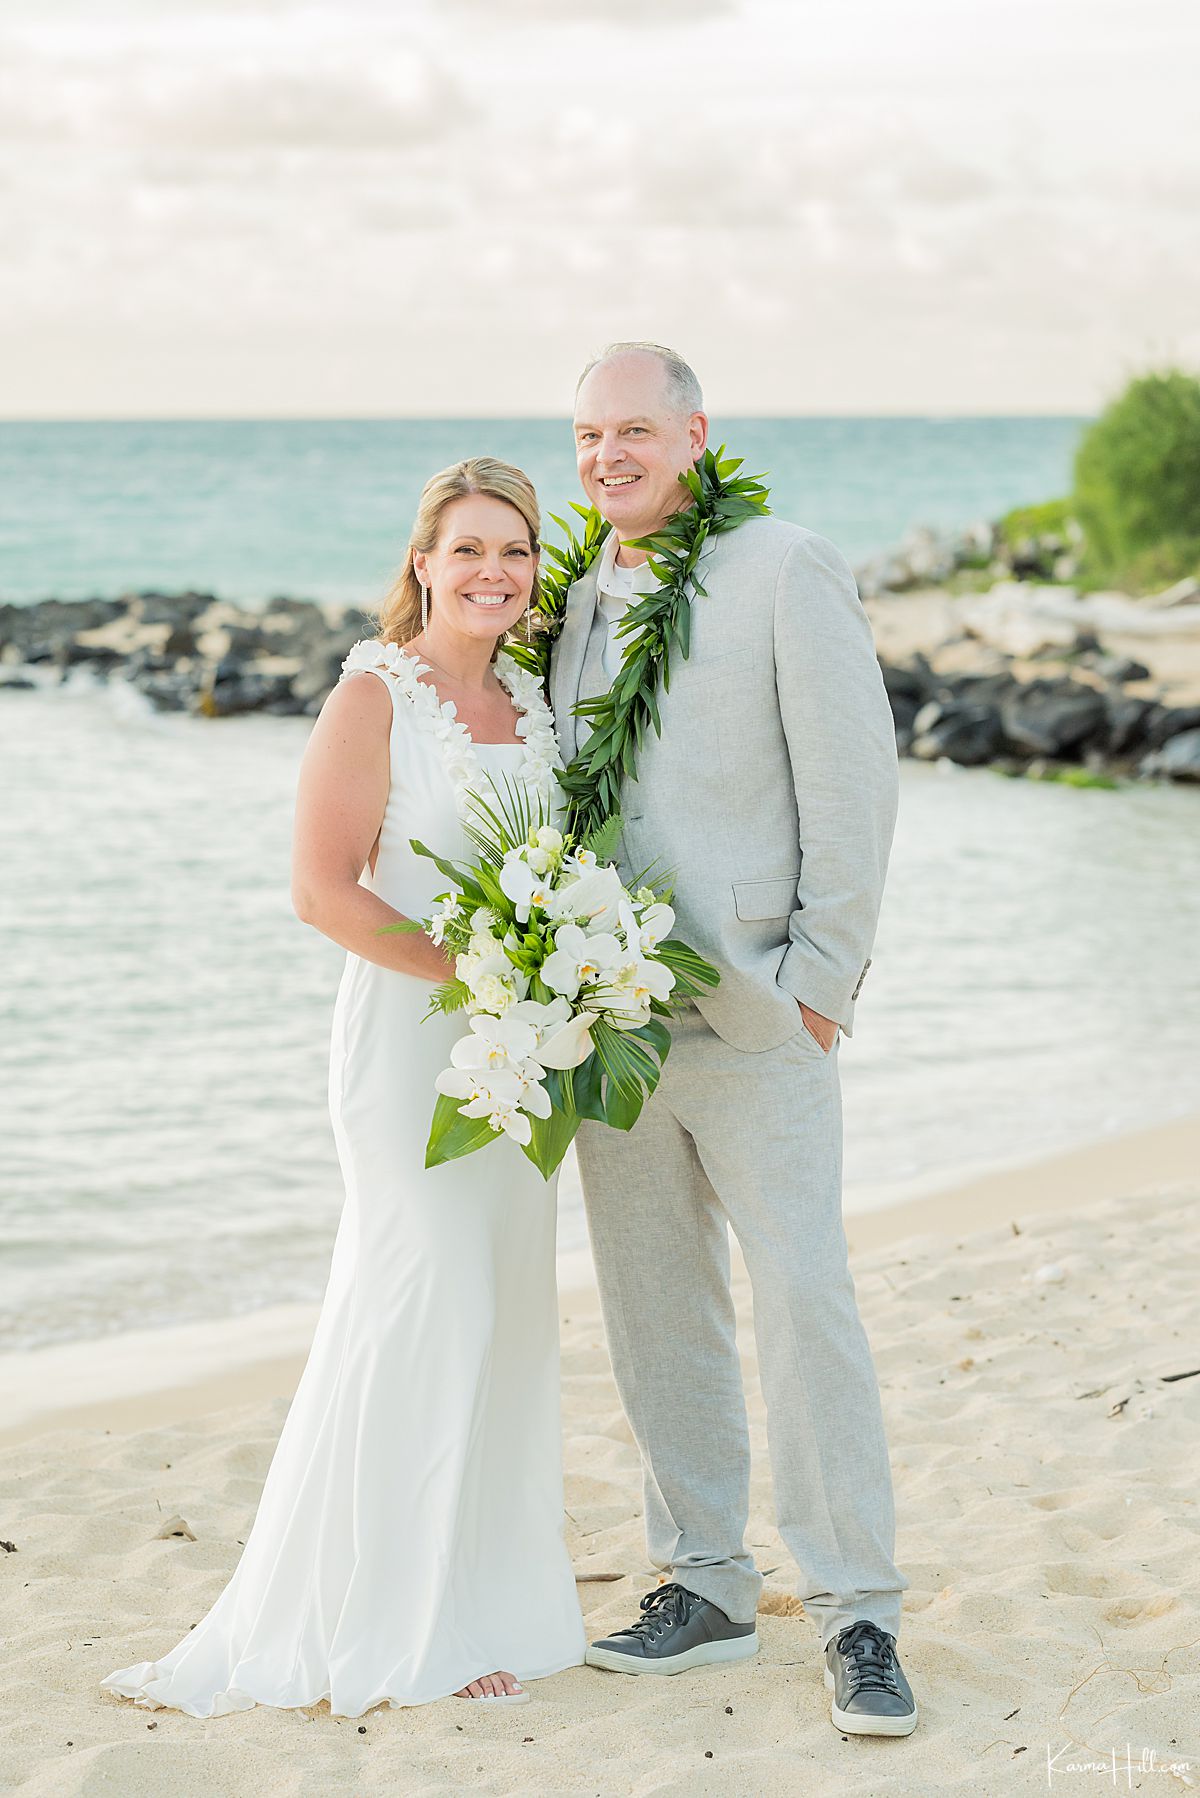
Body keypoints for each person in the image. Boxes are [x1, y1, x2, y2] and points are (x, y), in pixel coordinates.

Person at [101, 458, 585, 1718]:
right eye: (468, 549)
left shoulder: (534, 698)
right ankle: (395, 1626)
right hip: (411, 1043)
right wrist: (472, 972)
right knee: (426, 1305)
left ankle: (483, 1601)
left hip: (521, 1055)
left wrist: (558, 980)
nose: (494, 572)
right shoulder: (377, 692)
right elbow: (322, 890)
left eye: (515, 551)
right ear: (422, 562)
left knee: (504, 1317)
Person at [550, 342, 917, 1737]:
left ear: (695, 432)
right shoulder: (576, 594)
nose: (607, 457)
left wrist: (822, 975)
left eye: (633, 429)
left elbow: (853, 778)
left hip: (760, 1012)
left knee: (805, 1301)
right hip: (615, 1024)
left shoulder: (781, 565)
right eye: (589, 435)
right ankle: (701, 1579)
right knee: (655, 1311)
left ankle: (859, 1610)